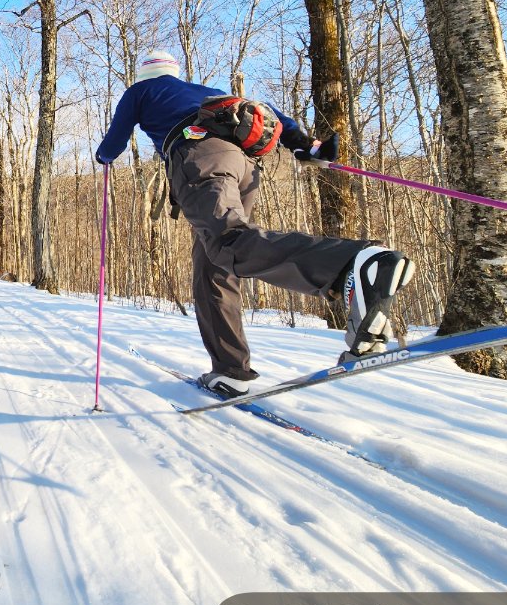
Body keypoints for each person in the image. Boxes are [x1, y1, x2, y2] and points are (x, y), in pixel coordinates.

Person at [96, 52, 415, 398]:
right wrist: (308, 146)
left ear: (145, 75)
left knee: (228, 242)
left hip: (198, 158)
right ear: (175, 72)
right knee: (214, 269)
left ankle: (352, 264)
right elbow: (271, 115)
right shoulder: (205, 91)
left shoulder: (141, 91)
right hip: (244, 167)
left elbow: (114, 142)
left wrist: (103, 157)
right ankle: (230, 370)